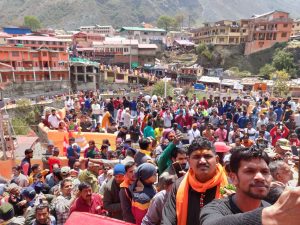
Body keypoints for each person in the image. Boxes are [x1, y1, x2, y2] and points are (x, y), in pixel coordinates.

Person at [162, 137, 228, 225]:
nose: (202, 161)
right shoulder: (178, 186)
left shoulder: (231, 187)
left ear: (216, 160)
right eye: (196, 157)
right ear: (189, 160)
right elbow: (167, 220)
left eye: (207, 156)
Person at [199, 147, 272, 225]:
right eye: (250, 171)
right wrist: (266, 216)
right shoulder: (215, 209)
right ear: (234, 178)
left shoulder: (271, 209)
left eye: (265, 172)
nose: (260, 177)